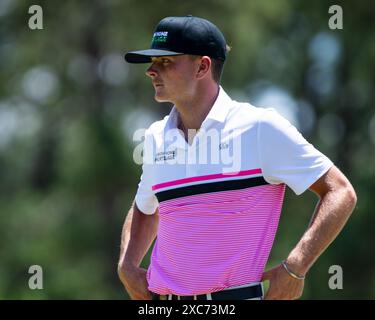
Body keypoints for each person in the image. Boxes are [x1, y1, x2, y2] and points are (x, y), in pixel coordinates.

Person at [117, 15, 357, 300]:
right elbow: (145, 207)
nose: (152, 71)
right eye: (153, 63)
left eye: (166, 62)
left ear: (202, 66)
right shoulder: (156, 136)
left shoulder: (259, 127)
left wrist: (296, 267)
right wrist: (127, 265)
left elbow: (340, 191)